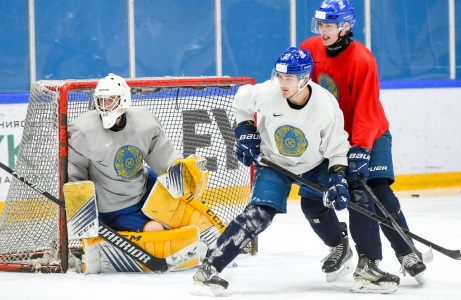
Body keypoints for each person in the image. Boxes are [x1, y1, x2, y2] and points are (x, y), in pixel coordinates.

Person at [192, 47, 352, 294]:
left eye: (289, 78)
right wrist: (245, 130)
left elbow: (337, 149)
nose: (282, 83)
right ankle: (210, 269)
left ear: (305, 78)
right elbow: (241, 102)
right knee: (258, 213)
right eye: (279, 76)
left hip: (314, 165)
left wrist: (338, 178)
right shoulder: (268, 92)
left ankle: (339, 245)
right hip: (274, 163)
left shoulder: (326, 106)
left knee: (314, 208)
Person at [301, 0, 426, 294]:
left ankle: (405, 251)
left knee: (374, 190)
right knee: (311, 200)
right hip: (329, 139)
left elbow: (367, 109)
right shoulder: (310, 47)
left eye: (329, 25)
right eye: (320, 24)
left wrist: (360, 148)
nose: (323, 31)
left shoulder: (362, 59)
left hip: (370, 132)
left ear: (345, 27)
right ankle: (339, 245)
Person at [67, 73, 181, 232]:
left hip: (143, 186)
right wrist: (80, 212)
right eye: (101, 99)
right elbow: (75, 173)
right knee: (155, 229)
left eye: (110, 99)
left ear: (123, 99)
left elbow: (162, 156)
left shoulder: (143, 122)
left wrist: (179, 169)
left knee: (181, 207)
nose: (105, 105)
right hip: (114, 206)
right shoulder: (84, 131)